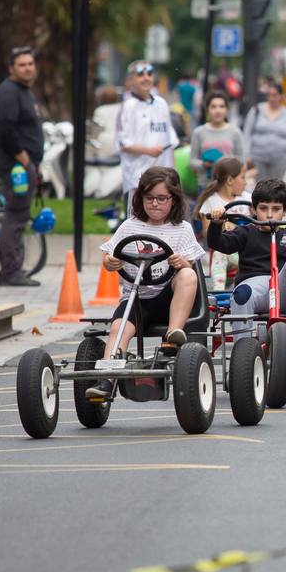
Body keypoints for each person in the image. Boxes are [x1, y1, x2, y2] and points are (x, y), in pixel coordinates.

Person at [89, 166, 206, 400]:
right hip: (136, 297)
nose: (154, 204)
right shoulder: (129, 226)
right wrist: (110, 262)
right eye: (149, 198)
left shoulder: (181, 229)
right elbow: (109, 255)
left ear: (173, 200)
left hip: (168, 299)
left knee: (187, 274)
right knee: (117, 328)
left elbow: (191, 265)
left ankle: (174, 334)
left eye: (161, 199)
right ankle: (105, 381)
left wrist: (182, 262)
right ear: (140, 198)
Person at [207, 177, 286, 332]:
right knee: (241, 294)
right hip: (254, 288)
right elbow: (219, 243)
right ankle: (243, 347)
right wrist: (216, 224)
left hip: (283, 290)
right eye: (263, 208)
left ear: (284, 211)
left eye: (275, 209)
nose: (269, 215)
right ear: (253, 210)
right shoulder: (245, 232)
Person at [0, 47, 45, 287]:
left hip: (25, 165)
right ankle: (10, 271)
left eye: (30, 64)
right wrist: (24, 160)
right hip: (16, 168)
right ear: (11, 68)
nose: (27, 68)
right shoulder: (8, 92)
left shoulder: (24, 92)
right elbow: (7, 130)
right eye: (22, 64)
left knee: (20, 216)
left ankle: (15, 268)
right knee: (16, 216)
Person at [116, 61, 178, 201]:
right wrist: (148, 150)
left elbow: (170, 141)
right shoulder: (127, 107)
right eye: (140, 74)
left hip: (164, 180)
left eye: (149, 74)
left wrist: (174, 175)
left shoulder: (161, 104)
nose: (146, 78)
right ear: (131, 80)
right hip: (137, 179)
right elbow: (123, 143)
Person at [194, 156, 248, 291]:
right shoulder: (212, 202)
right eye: (243, 177)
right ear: (230, 180)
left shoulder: (248, 199)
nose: (245, 182)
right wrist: (219, 225)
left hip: (247, 252)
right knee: (220, 252)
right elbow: (206, 234)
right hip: (225, 253)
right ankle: (218, 292)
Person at [189, 91, 246, 191]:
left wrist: (226, 162)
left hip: (229, 187)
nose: (218, 110)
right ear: (207, 109)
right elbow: (192, 162)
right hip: (205, 186)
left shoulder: (235, 132)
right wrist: (204, 164)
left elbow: (241, 161)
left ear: (227, 109)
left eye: (221, 106)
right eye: (213, 106)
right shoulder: (198, 132)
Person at [243, 82, 286, 184]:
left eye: (275, 95)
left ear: (281, 96)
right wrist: (247, 155)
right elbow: (247, 134)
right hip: (258, 157)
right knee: (260, 186)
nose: (272, 98)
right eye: (269, 95)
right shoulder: (256, 110)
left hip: (280, 159)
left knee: (276, 187)